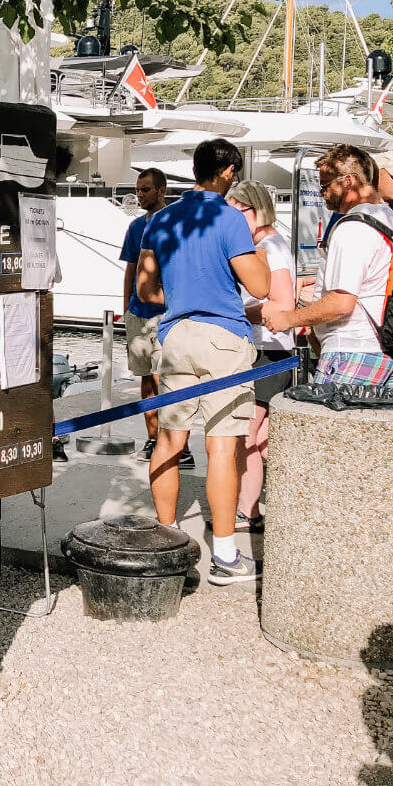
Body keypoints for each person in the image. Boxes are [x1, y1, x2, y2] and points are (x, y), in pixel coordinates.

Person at [136, 138, 270, 586]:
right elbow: (260, 285)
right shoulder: (229, 218)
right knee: (221, 449)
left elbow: (146, 293)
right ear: (228, 172)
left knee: (169, 442)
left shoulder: (162, 219)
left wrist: (179, 296)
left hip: (174, 337)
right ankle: (226, 558)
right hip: (224, 338)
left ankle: (166, 540)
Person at [263, 144, 393, 386]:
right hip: (384, 348)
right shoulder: (391, 219)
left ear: (348, 182)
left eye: (326, 185)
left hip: (351, 349)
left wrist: (290, 319)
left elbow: (341, 302)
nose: (322, 193)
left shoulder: (352, 228)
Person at [226, 181, 296, 534]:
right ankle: (250, 511)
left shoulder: (270, 247)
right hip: (272, 349)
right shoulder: (267, 244)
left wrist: (233, 312)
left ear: (255, 210)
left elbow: (282, 304)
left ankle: (246, 510)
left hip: (268, 349)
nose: (232, 221)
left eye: (237, 213)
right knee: (260, 441)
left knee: (246, 436)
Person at [119, 170, 191, 468]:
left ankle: (175, 443)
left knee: (166, 378)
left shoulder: (175, 223)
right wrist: (126, 309)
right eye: (138, 190)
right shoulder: (135, 227)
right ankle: (152, 437)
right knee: (146, 378)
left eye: (146, 189)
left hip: (165, 313)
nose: (140, 195)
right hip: (138, 314)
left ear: (161, 190)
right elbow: (131, 270)